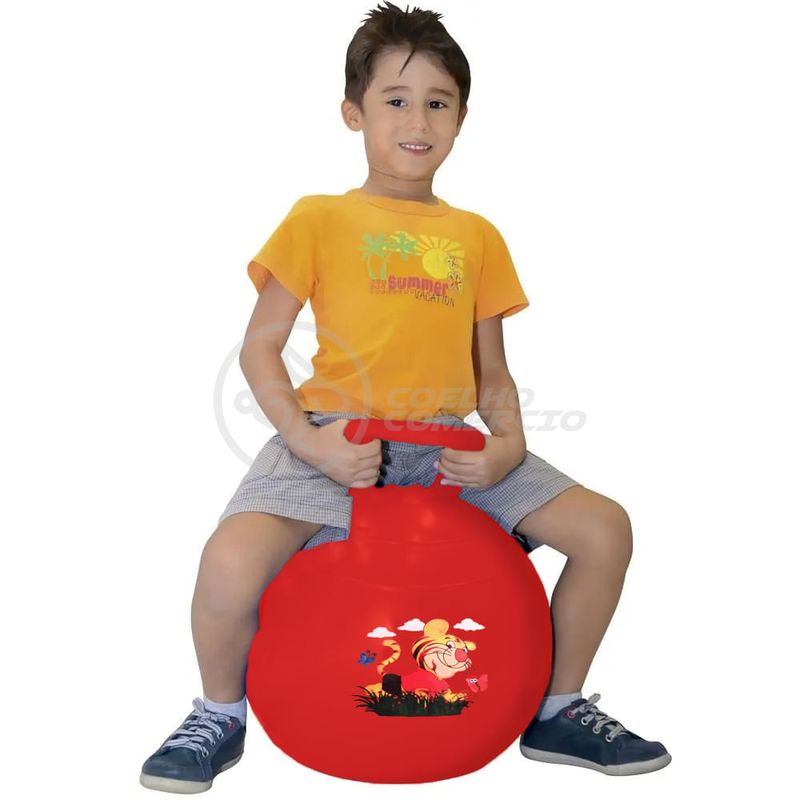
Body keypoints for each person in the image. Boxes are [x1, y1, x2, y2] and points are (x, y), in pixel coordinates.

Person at [140, 2, 671, 792]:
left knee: (605, 529)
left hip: (447, 446)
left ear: (461, 118)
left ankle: (557, 710)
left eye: (438, 102)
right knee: (228, 562)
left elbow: (492, 372)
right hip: (333, 438)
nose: (418, 121)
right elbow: (258, 347)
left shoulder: (478, 236)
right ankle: (218, 715)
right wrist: (310, 441)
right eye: (396, 100)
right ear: (353, 112)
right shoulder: (318, 218)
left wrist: (508, 446)